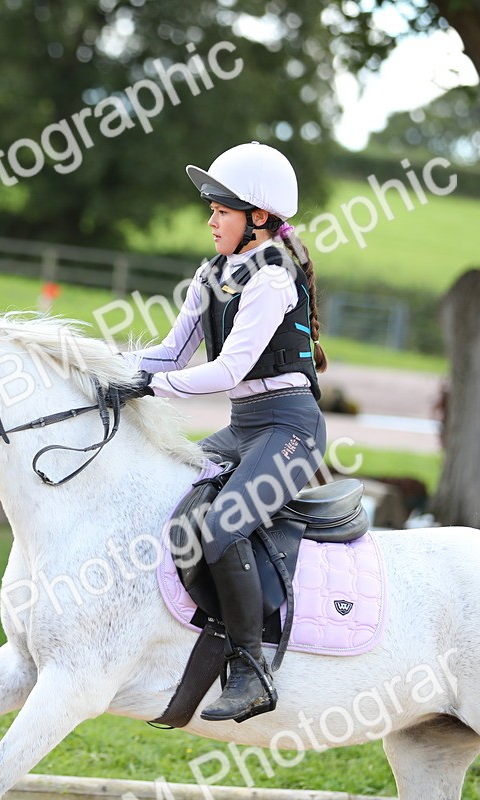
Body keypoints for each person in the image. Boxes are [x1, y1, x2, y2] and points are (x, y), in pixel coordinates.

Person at [120, 142, 329, 722]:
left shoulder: (271, 280)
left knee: (221, 526)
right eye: (210, 208)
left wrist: (146, 388)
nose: (210, 219)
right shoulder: (211, 274)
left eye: (222, 209)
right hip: (242, 429)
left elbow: (228, 371)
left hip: (291, 430)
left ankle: (252, 670)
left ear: (258, 217)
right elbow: (170, 353)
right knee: (170, 505)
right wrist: (110, 371)